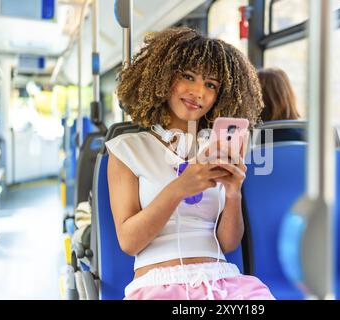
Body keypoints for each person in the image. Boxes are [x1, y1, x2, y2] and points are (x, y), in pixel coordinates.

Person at [105, 27, 275, 300]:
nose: (198, 92)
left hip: (223, 282)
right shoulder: (127, 149)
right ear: (163, 77)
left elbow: (229, 244)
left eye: (211, 84)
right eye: (188, 77)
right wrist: (179, 188)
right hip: (158, 284)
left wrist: (233, 194)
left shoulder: (218, 148)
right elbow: (129, 242)